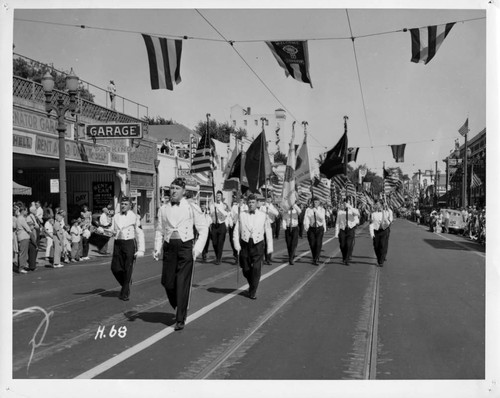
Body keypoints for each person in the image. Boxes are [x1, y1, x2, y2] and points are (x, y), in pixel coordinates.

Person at [153, 178, 209, 331]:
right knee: (167, 282)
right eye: (172, 188)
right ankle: (180, 304)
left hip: (185, 247)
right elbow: (159, 230)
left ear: (184, 191)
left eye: (177, 188)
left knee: (182, 282)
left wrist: (196, 250)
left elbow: (203, 229)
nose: (173, 191)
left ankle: (180, 318)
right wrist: (157, 248)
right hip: (169, 247)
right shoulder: (163, 209)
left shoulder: (192, 207)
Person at [233, 193, 273, 300]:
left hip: (258, 244)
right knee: (245, 269)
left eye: (253, 202)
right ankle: (252, 285)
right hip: (245, 244)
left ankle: (253, 292)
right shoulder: (242, 215)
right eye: (249, 202)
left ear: (257, 203)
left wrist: (270, 247)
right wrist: (237, 245)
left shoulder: (263, 215)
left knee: (256, 269)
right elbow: (236, 231)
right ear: (247, 203)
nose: (251, 204)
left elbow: (268, 231)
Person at [109, 196, 145, 301]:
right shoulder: (115, 216)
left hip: (129, 243)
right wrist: (102, 230)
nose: (123, 206)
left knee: (127, 268)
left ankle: (124, 293)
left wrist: (141, 249)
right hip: (118, 243)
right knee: (115, 268)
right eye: (122, 204)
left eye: (125, 204)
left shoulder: (135, 217)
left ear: (130, 206)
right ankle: (126, 282)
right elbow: (112, 230)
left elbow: (140, 233)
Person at [334, 198, 360, 266]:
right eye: (345, 203)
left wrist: (350, 207)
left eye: (347, 203)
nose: (345, 204)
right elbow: (337, 222)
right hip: (342, 230)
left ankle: (346, 259)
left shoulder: (353, 210)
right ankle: (344, 256)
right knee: (342, 245)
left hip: (350, 229)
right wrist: (336, 233)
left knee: (349, 245)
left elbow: (357, 213)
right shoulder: (340, 212)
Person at [369, 200, 393, 267]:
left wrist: (387, 209)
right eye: (376, 204)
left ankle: (381, 261)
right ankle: (379, 257)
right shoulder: (373, 214)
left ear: (381, 205)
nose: (377, 205)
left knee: (382, 245)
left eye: (378, 204)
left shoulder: (386, 212)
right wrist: (371, 234)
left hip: (384, 230)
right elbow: (371, 224)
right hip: (376, 231)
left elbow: (390, 219)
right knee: (376, 246)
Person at [304, 197, 327, 265]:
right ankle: (315, 256)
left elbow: (322, 217)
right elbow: (306, 218)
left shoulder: (322, 209)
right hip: (311, 228)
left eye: (316, 202)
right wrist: (306, 226)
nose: (315, 203)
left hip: (319, 228)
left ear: (319, 203)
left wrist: (316, 211)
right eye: (314, 202)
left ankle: (316, 258)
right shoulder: (308, 209)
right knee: (312, 244)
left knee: (318, 243)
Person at [209, 190, 229, 265]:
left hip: (221, 225)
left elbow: (226, 214)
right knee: (214, 243)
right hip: (214, 225)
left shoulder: (224, 205)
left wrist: (218, 207)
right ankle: (217, 255)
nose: (218, 197)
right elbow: (211, 215)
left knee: (220, 242)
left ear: (221, 197)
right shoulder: (212, 205)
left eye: (219, 196)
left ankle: (218, 258)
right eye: (217, 195)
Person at [260, 194, 279, 265]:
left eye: (269, 198)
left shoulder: (272, 207)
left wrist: (269, 208)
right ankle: (262, 258)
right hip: (263, 225)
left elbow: (277, 213)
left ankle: (268, 258)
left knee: (269, 242)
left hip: (271, 225)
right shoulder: (262, 206)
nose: (268, 199)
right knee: (263, 242)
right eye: (267, 198)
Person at [16, 205, 31, 274]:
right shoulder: (21, 218)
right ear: (23, 211)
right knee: (23, 253)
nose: (27, 212)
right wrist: (30, 231)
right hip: (23, 237)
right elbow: (27, 228)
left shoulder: (21, 218)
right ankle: (21, 267)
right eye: (26, 210)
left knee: (23, 253)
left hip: (23, 237)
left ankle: (22, 265)